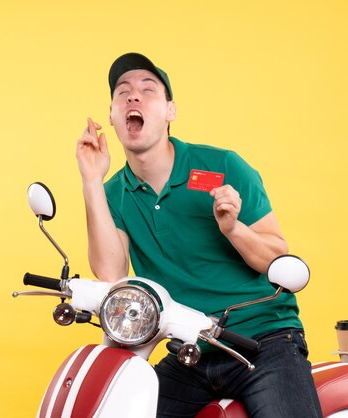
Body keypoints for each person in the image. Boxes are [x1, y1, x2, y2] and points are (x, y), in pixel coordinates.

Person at [75, 52, 322, 418]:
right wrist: (91, 179)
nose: (133, 96)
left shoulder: (222, 166)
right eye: (122, 92)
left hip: (262, 342)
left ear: (170, 111)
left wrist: (233, 228)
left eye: (148, 90)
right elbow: (111, 274)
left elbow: (275, 258)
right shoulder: (113, 193)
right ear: (112, 116)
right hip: (188, 351)